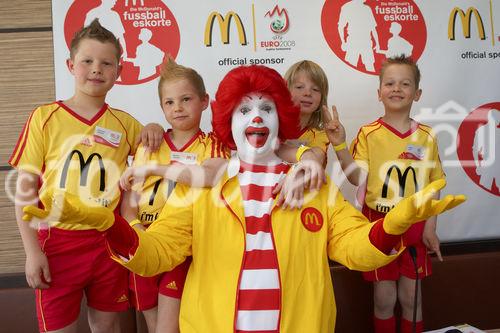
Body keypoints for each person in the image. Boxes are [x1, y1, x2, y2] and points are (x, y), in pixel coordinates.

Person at [23, 65, 465, 332]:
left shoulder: (313, 184)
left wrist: (395, 223)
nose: (256, 117)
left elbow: (354, 248)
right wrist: (109, 224)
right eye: (245, 110)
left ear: (282, 120)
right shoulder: (203, 187)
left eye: (267, 108)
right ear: (228, 123)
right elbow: (156, 253)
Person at [10, 19, 163, 333]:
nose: (96, 69)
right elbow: (24, 189)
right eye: (87, 61)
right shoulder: (44, 118)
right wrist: (32, 252)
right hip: (57, 242)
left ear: (118, 73)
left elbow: (155, 153)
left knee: (107, 326)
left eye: (106, 63)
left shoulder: (125, 124)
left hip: (107, 240)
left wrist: (154, 128)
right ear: (70, 65)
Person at [323, 55, 444, 333]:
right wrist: (340, 146)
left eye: (405, 83)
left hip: (414, 225)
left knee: (411, 298)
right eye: (389, 83)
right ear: (379, 93)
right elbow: (356, 178)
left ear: (417, 92)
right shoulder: (368, 134)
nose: (397, 88)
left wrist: (431, 226)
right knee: (384, 298)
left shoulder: (427, 136)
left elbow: (434, 185)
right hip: (379, 224)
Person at [121, 58, 228, 333]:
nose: (177, 108)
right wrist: (136, 230)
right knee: (154, 324)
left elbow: (208, 177)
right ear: (161, 108)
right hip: (145, 240)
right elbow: (129, 201)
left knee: (168, 328)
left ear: (204, 101)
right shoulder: (149, 144)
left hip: (183, 248)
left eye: (186, 99)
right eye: (169, 102)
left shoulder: (213, 144)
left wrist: (157, 168)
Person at [283, 60, 330, 165]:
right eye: (299, 87)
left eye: (315, 89)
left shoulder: (320, 134)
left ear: (322, 98)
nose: (308, 93)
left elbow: (314, 161)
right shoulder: (273, 127)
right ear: (285, 91)